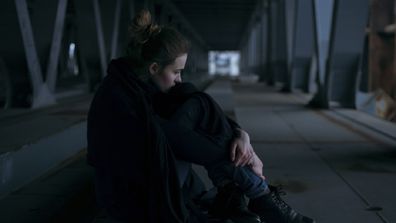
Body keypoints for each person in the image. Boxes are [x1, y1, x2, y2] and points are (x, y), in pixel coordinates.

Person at [87, 9, 315, 223]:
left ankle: (236, 191)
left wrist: (240, 133)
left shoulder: (136, 83)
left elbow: (195, 101)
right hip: (130, 196)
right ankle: (255, 194)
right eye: (175, 72)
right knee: (202, 128)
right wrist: (245, 158)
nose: (179, 78)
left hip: (149, 171)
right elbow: (176, 138)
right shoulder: (120, 100)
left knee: (197, 101)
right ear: (154, 68)